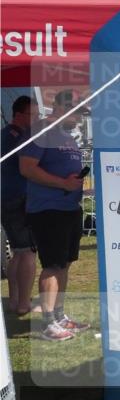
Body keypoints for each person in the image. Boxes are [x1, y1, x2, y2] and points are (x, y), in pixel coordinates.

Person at [19, 90, 90, 341]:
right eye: (78, 113)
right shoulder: (42, 131)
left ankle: (59, 316)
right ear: (61, 107)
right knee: (52, 265)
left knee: (64, 264)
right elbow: (26, 168)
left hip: (69, 209)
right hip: (48, 210)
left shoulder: (67, 136)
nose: (80, 119)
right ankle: (48, 323)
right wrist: (62, 183)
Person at [1, 95, 39, 315]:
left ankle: (16, 299)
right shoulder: (20, 138)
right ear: (19, 115)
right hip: (19, 198)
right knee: (27, 253)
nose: (36, 119)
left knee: (18, 251)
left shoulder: (6, 135)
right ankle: (24, 302)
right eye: (33, 115)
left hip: (8, 198)